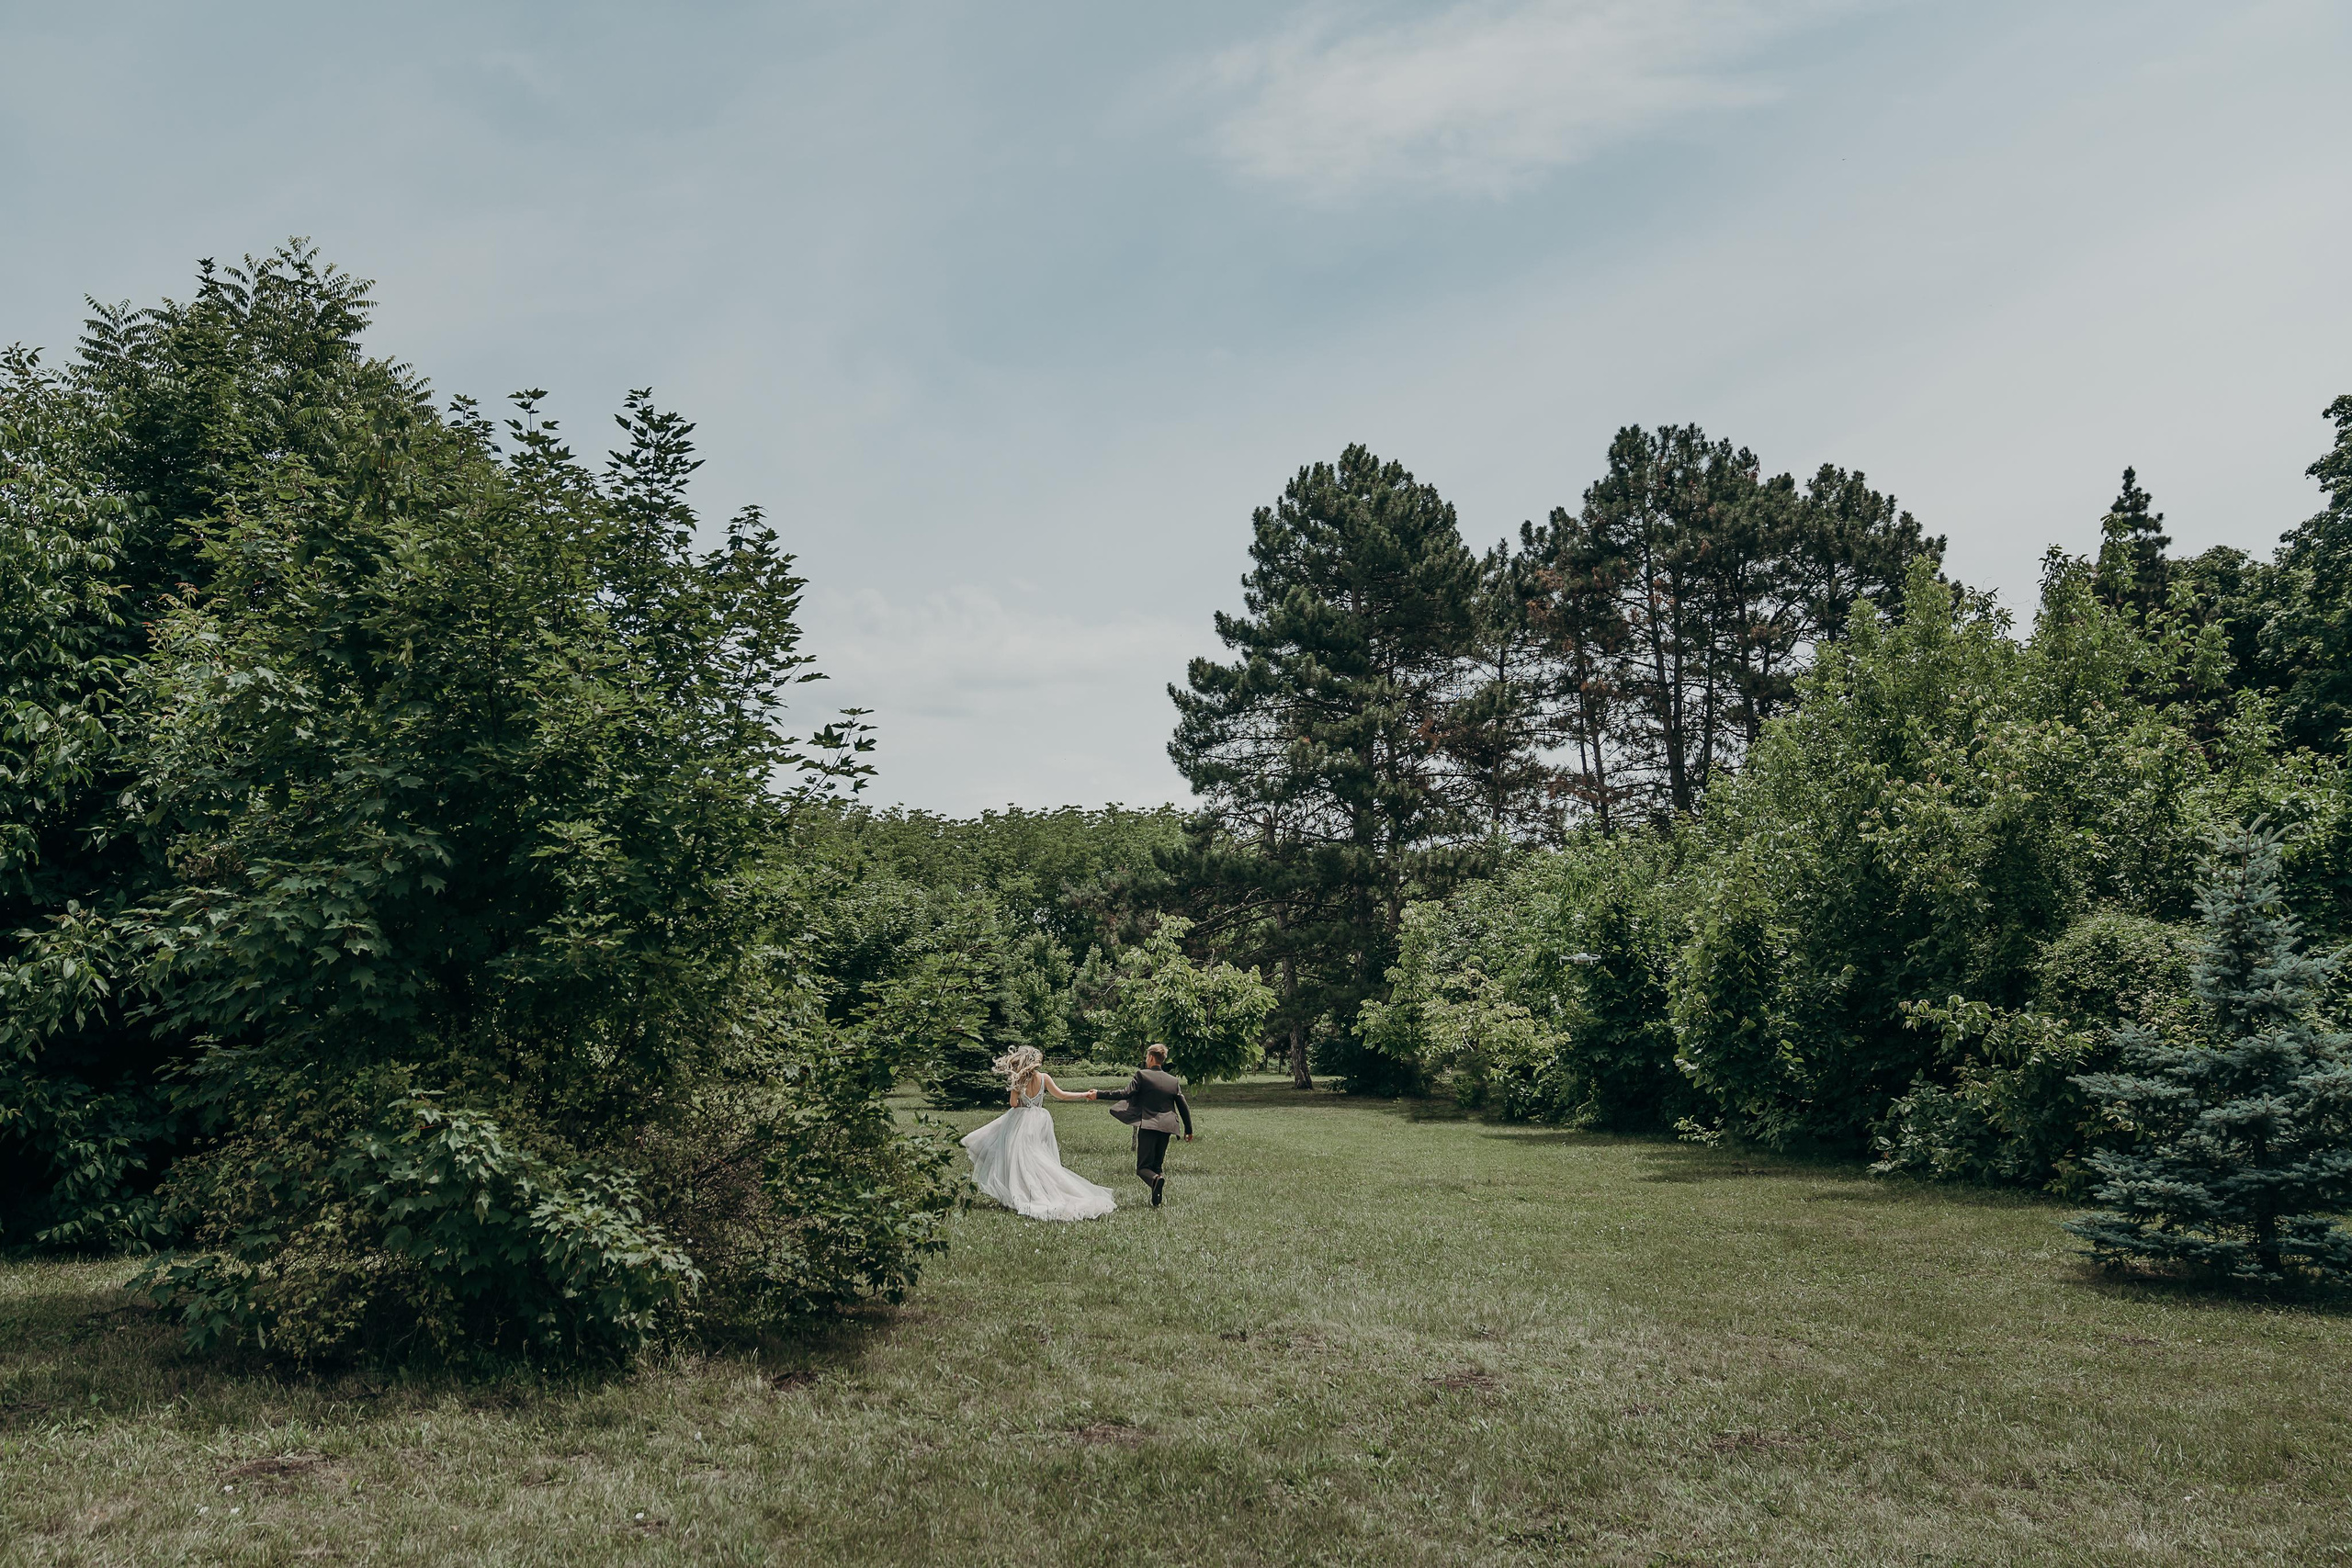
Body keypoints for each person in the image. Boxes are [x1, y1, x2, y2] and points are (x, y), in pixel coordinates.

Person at [958, 1046, 1117, 1221]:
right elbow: (1062, 1095)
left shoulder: (1018, 1079)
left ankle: (1020, 1191)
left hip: (1020, 1121)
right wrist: (1084, 1094)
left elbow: (1013, 1103)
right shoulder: (1044, 1078)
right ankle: (1039, 1188)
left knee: (1016, 1157)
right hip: (1039, 1121)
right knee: (1036, 1154)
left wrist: (1021, 1100)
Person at [1100, 1043, 1193, 1207]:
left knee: (1143, 1168)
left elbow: (1125, 1093)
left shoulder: (1142, 1075)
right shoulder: (1173, 1081)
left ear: (1150, 1057)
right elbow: (1182, 1105)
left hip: (1149, 1125)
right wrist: (1189, 1129)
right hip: (1167, 1126)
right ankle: (1157, 1198)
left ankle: (1156, 1179)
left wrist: (1098, 1094)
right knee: (1157, 1165)